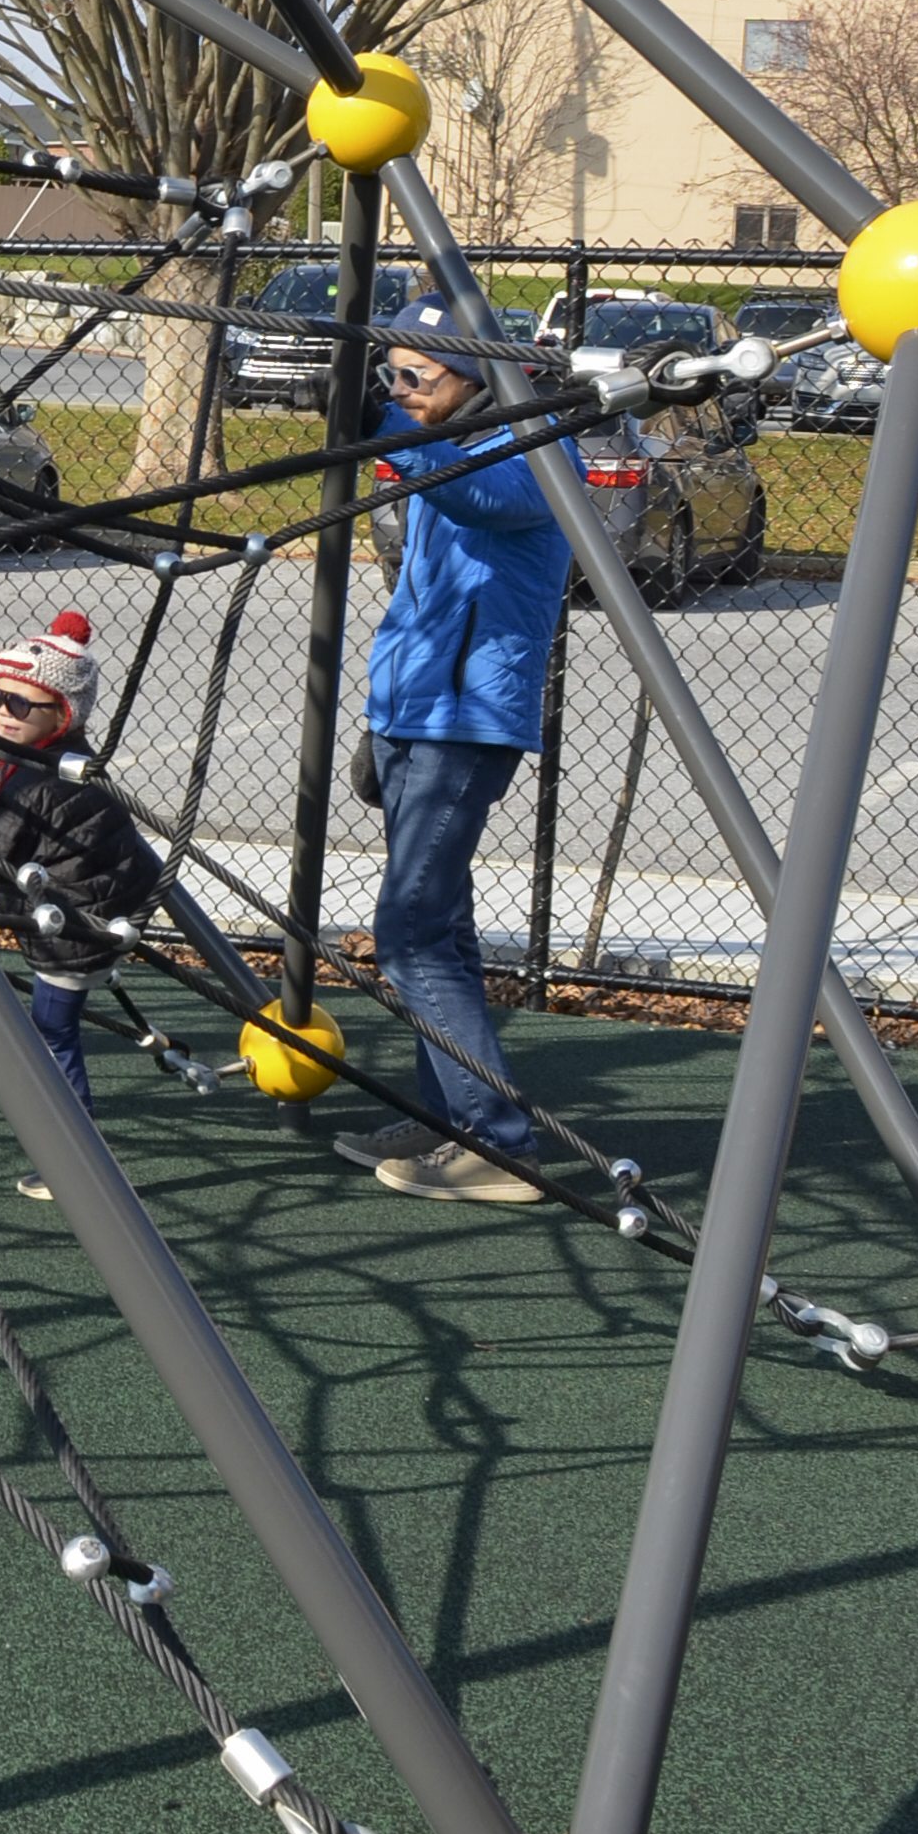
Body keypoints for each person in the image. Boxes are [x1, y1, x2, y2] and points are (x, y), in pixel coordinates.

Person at [346, 308, 567, 1206]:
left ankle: (497, 1141)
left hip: (466, 723)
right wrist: (377, 715)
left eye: (416, 379)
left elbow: (471, 490)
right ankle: (447, 1117)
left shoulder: (537, 446)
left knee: (408, 930)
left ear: (476, 379)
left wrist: (383, 428)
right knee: (444, 925)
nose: (402, 393)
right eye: (391, 376)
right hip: (413, 712)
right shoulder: (442, 430)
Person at [0, 607, 162, 1199]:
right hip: (105, 911)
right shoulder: (54, 762)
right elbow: (14, 836)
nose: (3, 716)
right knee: (53, 1028)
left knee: (52, 1034)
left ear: (63, 713)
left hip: (76, 928)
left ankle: (74, 1157)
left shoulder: (44, 783)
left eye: (19, 706)